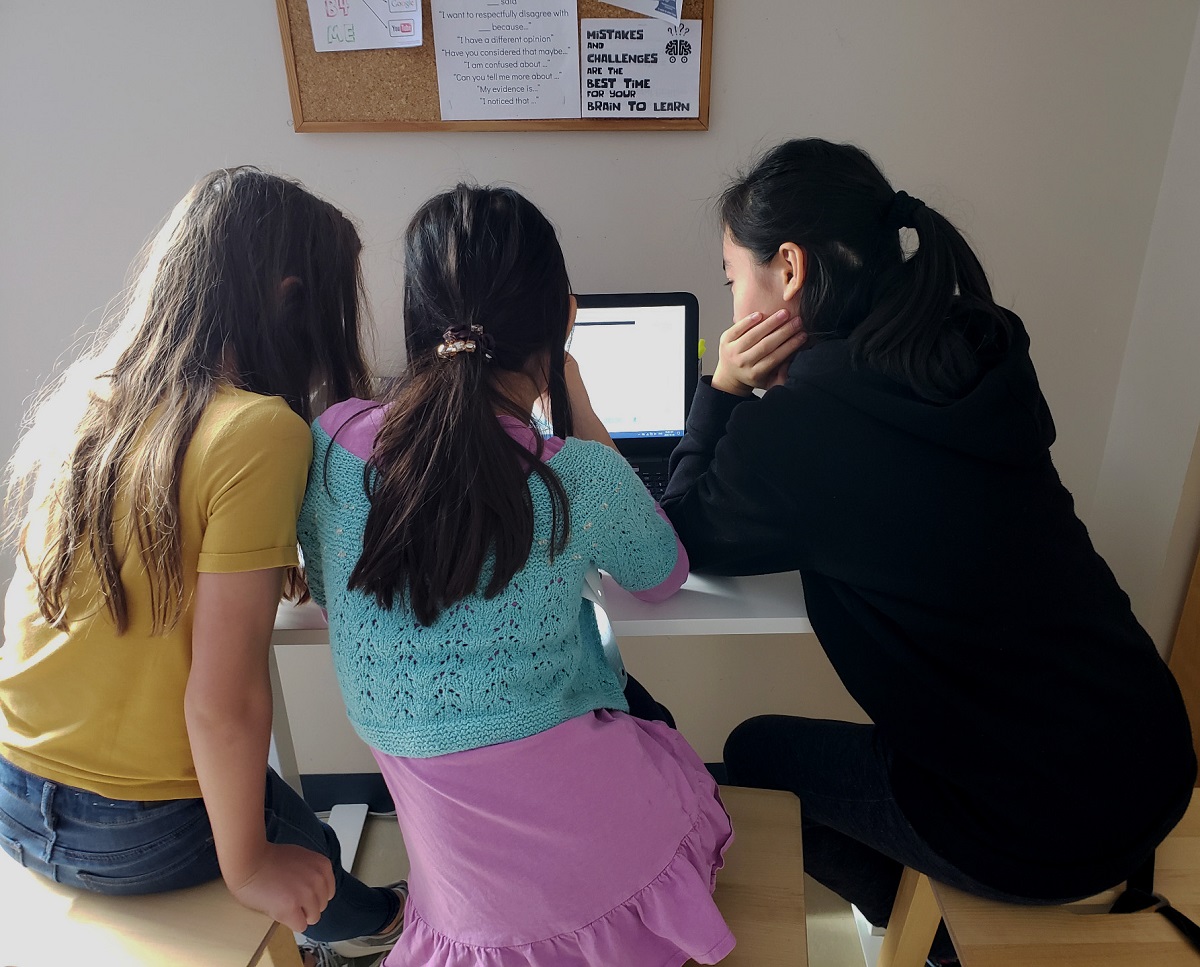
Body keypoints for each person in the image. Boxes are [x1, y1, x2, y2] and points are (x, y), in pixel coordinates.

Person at [661, 137, 1197, 963]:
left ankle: (936, 937)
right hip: (1152, 760)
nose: (732, 305)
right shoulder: (974, 347)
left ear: (791, 270)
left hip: (1030, 825)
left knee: (753, 753)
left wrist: (723, 388)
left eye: (733, 278)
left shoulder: (802, 432)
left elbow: (678, 535)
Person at [297, 184, 734, 967]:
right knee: (667, 747)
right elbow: (664, 572)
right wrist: (583, 416)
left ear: (415, 317)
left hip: (466, 904)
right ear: (564, 319)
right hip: (606, 868)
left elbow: (332, 590)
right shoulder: (577, 478)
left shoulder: (333, 445)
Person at [0, 168, 405, 963]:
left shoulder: (88, 395)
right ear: (292, 299)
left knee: (294, 825)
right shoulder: (258, 428)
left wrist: (261, 559)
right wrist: (249, 865)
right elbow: (226, 704)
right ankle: (374, 928)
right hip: (133, 828)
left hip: (11, 791)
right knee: (311, 857)